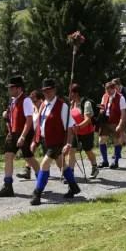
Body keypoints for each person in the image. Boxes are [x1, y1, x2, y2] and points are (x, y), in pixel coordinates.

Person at [30, 78, 80, 206]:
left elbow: (69, 126)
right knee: (61, 164)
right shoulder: (43, 105)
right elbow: (39, 125)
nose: (47, 93)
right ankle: (73, 187)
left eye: (50, 90)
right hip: (45, 141)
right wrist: (35, 141)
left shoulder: (62, 106)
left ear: (55, 90)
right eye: (45, 91)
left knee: (44, 165)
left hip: (57, 142)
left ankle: (37, 193)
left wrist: (68, 144)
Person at [0, 75, 40, 198]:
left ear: (18, 88)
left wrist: (22, 137)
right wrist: (6, 114)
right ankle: (7, 186)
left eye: (12, 87)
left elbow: (29, 120)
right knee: (8, 156)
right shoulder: (13, 100)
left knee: (29, 158)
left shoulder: (26, 100)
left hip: (23, 133)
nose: (10, 89)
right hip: (13, 133)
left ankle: (41, 180)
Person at [68, 83, 99, 179]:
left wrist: (79, 126)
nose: (69, 95)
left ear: (76, 93)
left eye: (71, 93)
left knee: (88, 151)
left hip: (86, 132)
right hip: (75, 132)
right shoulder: (72, 104)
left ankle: (94, 167)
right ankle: (70, 174)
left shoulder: (86, 103)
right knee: (71, 151)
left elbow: (88, 119)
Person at [97, 80, 126, 169]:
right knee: (101, 140)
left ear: (113, 89)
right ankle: (105, 161)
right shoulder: (105, 96)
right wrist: (101, 110)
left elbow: (123, 114)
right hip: (105, 121)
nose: (107, 92)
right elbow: (103, 106)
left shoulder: (121, 98)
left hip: (115, 122)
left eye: (109, 90)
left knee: (117, 141)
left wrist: (120, 125)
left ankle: (116, 162)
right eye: (106, 90)